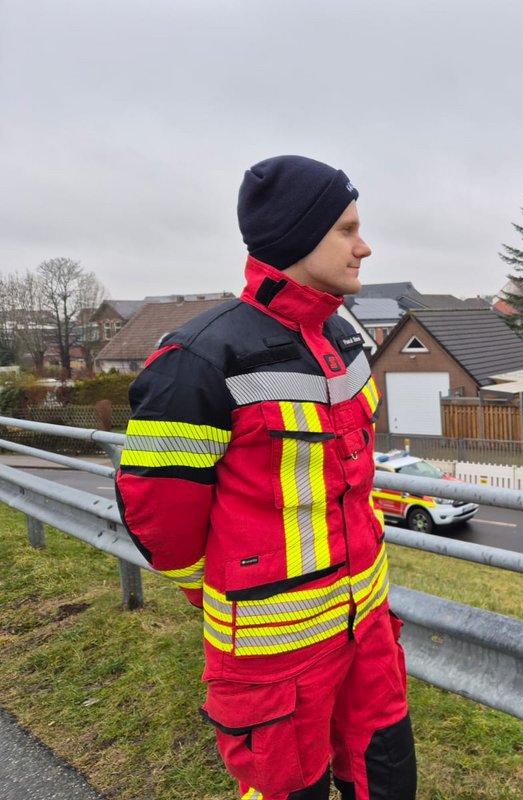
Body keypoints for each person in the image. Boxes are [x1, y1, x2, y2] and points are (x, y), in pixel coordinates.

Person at [115, 155, 416, 800]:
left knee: (389, 780)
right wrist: (232, 596)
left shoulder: (344, 336)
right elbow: (161, 523)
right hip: (272, 660)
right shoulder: (199, 359)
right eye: (346, 230)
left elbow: (352, 482)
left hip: (368, 634)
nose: (364, 246)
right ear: (298, 237)